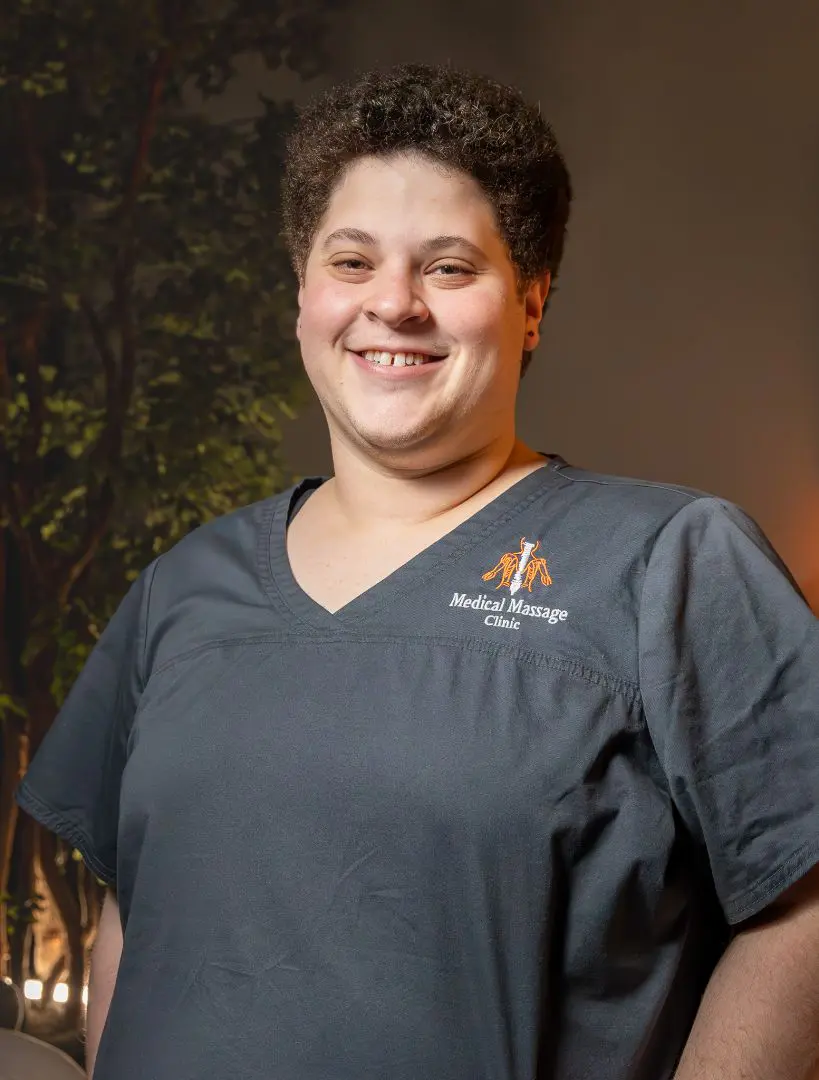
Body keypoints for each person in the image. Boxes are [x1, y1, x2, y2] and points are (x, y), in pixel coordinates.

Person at [16, 64, 819, 1080]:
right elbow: (138, 913)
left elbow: (805, 907)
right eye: (351, 262)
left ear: (530, 304)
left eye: (448, 268)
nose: (392, 304)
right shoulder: (184, 587)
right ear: (302, 299)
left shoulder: (673, 563)